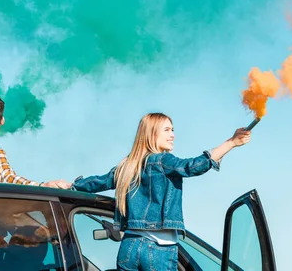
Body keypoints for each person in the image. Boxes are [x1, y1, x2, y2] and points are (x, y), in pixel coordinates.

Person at [68, 112, 251, 271]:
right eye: (167, 130)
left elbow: (99, 182)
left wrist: (72, 186)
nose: (173, 135)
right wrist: (231, 143)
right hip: (158, 250)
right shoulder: (163, 161)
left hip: (129, 247)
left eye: (172, 130)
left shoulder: (127, 166)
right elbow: (193, 166)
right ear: (151, 133)